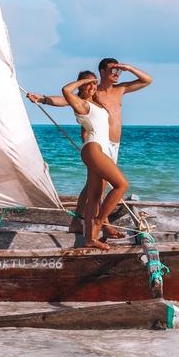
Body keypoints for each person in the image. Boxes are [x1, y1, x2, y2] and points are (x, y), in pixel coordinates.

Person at [28, 56, 154, 241]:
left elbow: (147, 80)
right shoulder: (92, 94)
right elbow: (65, 100)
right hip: (98, 145)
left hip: (113, 145)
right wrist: (44, 98)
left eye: (118, 70)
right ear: (102, 72)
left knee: (92, 189)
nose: (117, 73)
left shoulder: (120, 89)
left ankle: (78, 223)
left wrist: (128, 67)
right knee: (101, 189)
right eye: (113, 69)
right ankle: (104, 225)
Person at [55, 73, 128, 248]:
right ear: (82, 86)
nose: (92, 86)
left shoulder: (96, 104)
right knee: (121, 185)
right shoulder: (82, 105)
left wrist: (92, 83)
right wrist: (84, 81)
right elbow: (65, 91)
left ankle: (90, 239)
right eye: (89, 84)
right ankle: (99, 222)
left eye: (94, 83)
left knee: (93, 196)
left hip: (100, 149)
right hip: (93, 148)